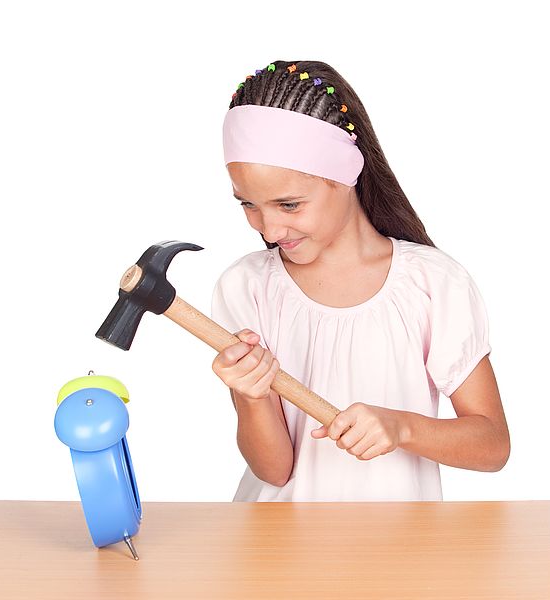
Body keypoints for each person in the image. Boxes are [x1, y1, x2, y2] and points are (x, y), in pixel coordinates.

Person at [211, 60, 510, 502]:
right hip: (276, 555)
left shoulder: (431, 284)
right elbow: (273, 471)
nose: (269, 231)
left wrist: (402, 427)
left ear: (347, 173)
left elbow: (492, 447)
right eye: (248, 204)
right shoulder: (247, 286)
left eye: (289, 205)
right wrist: (252, 397)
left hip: (397, 554)